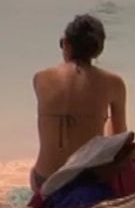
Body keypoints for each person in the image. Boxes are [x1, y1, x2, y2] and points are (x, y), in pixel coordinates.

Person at [31, 14, 128, 194]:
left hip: (44, 180)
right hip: (86, 178)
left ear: (66, 44)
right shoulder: (114, 83)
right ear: (98, 50)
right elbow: (119, 138)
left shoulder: (41, 78)